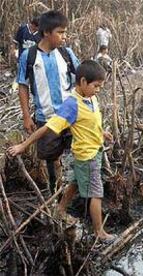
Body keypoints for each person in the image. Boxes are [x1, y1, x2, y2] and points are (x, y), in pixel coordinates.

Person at [8, 60, 116, 242]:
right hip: (86, 156)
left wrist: (102, 132)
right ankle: (99, 232)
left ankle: (59, 210)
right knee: (96, 193)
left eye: (101, 86)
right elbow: (48, 128)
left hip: (94, 151)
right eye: (96, 86)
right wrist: (23, 145)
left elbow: (89, 122)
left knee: (75, 182)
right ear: (82, 82)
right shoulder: (71, 105)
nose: (99, 90)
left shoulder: (90, 98)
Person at [17, 10, 80, 195]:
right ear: (46, 32)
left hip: (71, 117)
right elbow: (23, 86)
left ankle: (78, 193)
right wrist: (27, 116)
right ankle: (55, 192)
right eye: (60, 32)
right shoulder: (28, 57)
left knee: (81, 153)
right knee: (51, 159)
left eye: (64, 32)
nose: (64, 37)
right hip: (46, 119)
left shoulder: (66, 53)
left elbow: (81, 79)